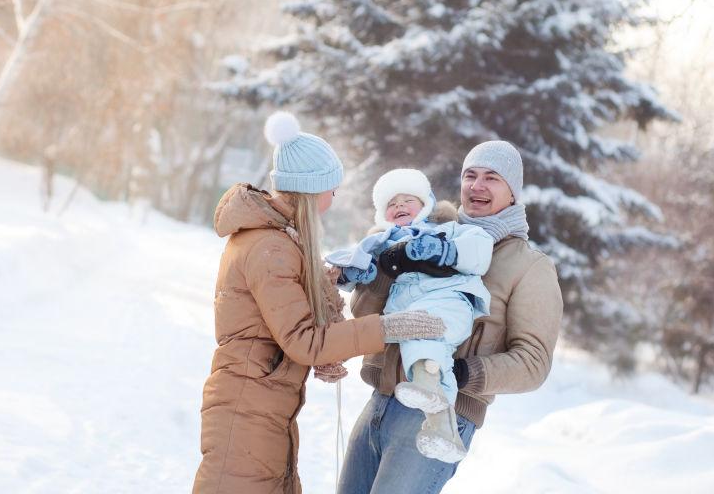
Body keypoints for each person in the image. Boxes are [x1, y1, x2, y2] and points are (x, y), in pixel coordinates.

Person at [193, 112, 448, 494]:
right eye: (333, 188)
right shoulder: (270, 247)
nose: (335, 196)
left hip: (263, 404)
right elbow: (304, 341)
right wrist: (386, 328)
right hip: (246, 409)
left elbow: (289, 329)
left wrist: (325, 326)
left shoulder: (281, 239)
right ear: (312, 191)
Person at [337, 141, 564, 494]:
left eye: (492, 178)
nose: (477, 186)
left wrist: (462, 374)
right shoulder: (427, 232)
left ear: (513, 192)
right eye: (470, 175)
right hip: (381, 401)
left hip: (442, 415)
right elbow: (364, 313)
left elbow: (533, 363)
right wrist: (387, 265)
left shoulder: (529, 267)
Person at [325, 168, 494, 463]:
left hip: (449, 300)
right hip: (409, 314)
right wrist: (351, 271)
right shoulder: (381, 243)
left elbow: (479, 248)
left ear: (426, 205)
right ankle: (442, 427)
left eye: (408, 200)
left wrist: (446, 251)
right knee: (424, 348)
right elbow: (355, 260)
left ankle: (430, 394)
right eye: (391, 204)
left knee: (427, 340)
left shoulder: (447, 230)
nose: (399, 206)